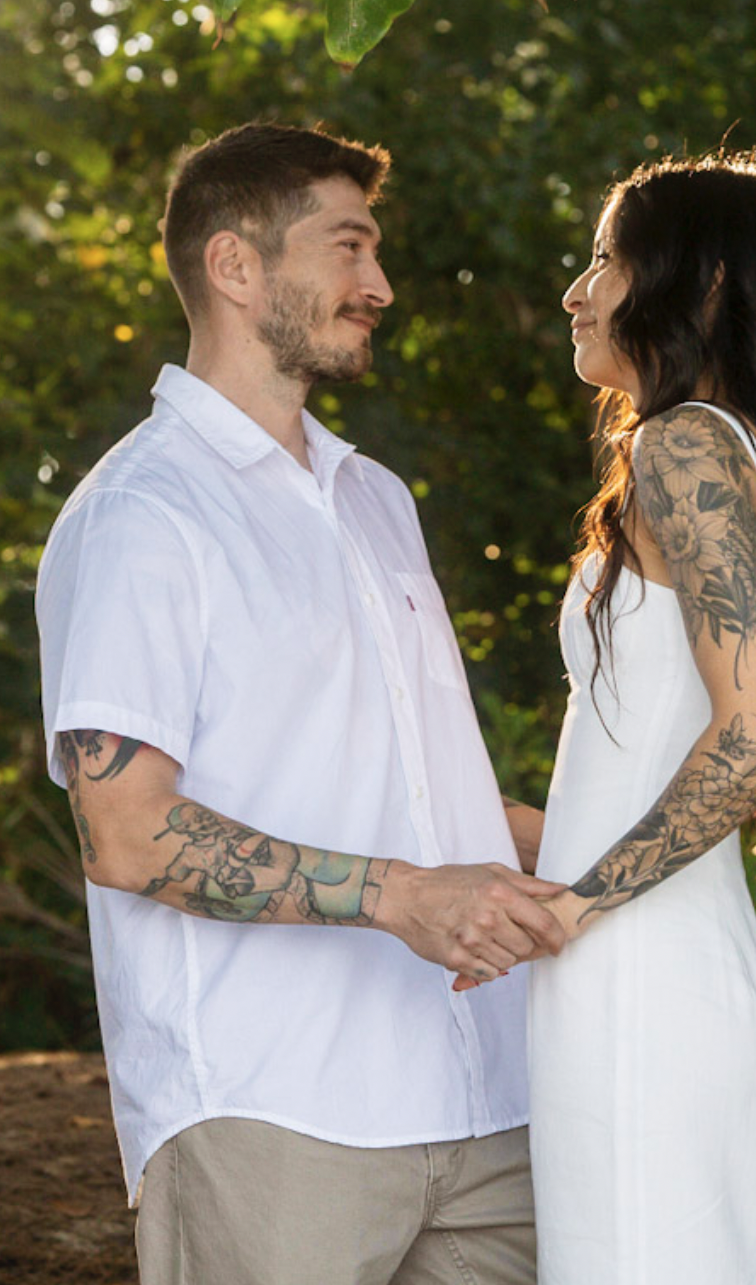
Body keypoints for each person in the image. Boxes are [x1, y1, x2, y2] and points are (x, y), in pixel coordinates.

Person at [35, 121, 566, 1285]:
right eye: (349, 246)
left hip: (487, 1094)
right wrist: (403, 897)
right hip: (269, 1114)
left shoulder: (376, 498)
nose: (377, 285)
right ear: (235, 266)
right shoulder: (143, 512)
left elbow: (437, 801)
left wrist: (640, 840)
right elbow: (126, 834)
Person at [496, 153, 756, 1283]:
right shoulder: (747, 455)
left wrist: (575, 905)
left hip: (639, 986)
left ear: (699, 285)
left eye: (607, 259)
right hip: (664, 966)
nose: (577, 288)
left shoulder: (686, 446)